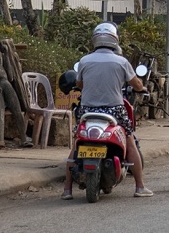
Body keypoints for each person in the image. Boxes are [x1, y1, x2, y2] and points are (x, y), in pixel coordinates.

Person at [62, 22, 152, 200]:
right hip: (114, 111)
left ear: (95, 39)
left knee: (76, 144)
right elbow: (136, 84)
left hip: (87, 110)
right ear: (115, 39)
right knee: (129, 141)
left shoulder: (85, 61)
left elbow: (79, 84)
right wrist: (142, 88)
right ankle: (140, 187)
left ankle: (67, 190)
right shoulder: (122, 62)